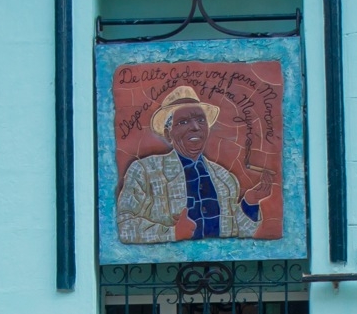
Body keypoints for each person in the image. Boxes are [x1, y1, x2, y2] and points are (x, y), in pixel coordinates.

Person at [115, 85, 276, 243]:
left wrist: (250, 202)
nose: (195, 127)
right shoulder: (145, 172)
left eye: (201, 120)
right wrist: (172, 233)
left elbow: (237, 232)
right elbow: (124, 226)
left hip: (218, 267)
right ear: (168, 134)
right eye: (183, 122)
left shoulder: (225, 178)